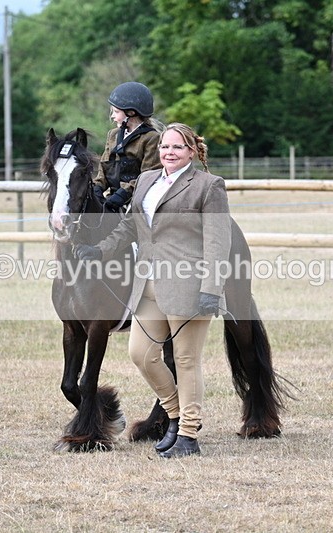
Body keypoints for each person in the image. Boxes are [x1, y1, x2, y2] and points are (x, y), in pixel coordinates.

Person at [75, 123, 232, 458]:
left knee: (186, 360)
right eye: (164, 146)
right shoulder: (147, 180)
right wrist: (100, 250)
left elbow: (218, 242)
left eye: (177, 147)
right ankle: (175, 415)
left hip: (189, 286)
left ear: (192, 151)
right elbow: (129, 226)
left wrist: (212, 288)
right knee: (141, 354)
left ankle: (188, 435)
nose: (169, 152)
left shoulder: (208, 186)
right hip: (148, 284)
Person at [93, 81, 162, 211]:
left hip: (137, 201)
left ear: (131, 113)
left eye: (116, 112)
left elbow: (148, 174)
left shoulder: (151, 138)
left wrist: (124, 193)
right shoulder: (113, 135)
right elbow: (105, 165)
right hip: (113, 198)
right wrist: (97, 187)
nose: (112, 116)